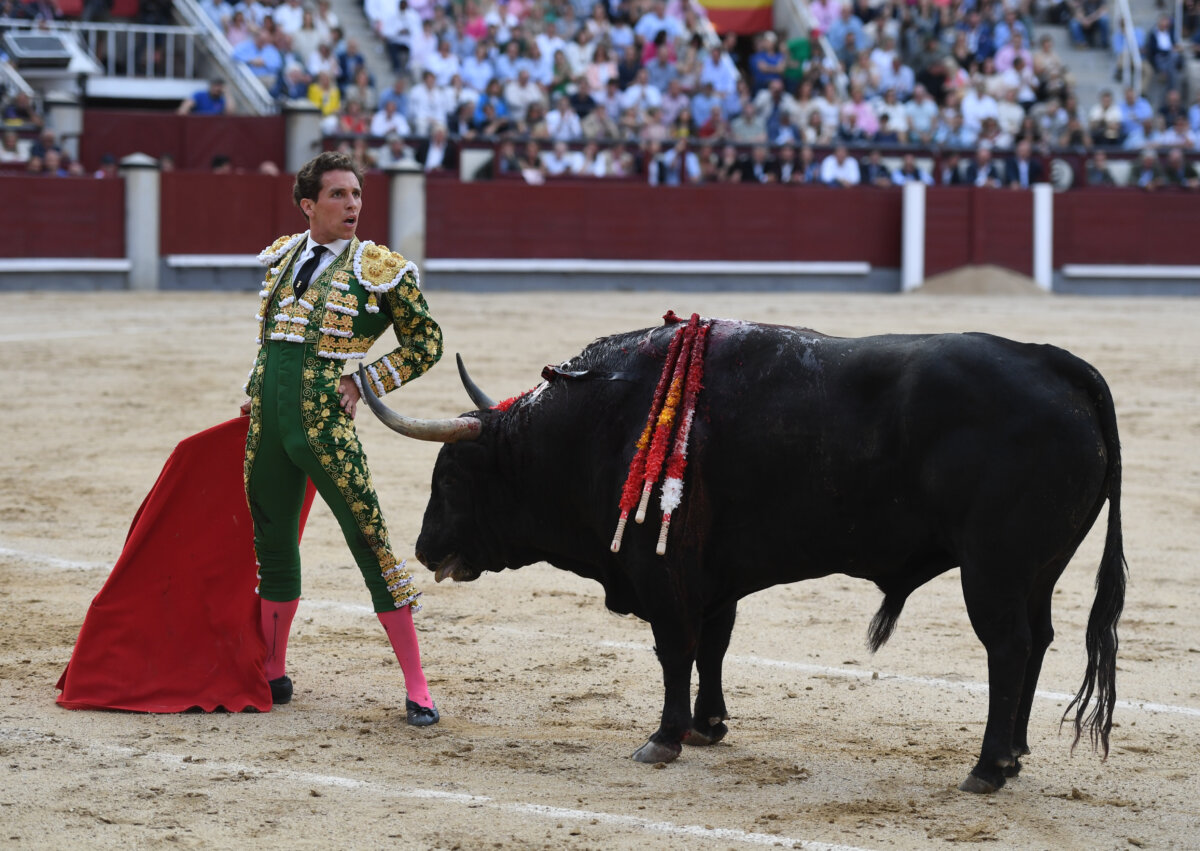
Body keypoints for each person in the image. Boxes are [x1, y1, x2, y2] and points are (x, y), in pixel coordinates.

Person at [241, 151, 441, 726]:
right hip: (270, 427)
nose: (353, 204)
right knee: (273, 550)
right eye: (339, 195)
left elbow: (425, 342)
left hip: (327, 427)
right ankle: (274, 671)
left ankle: (417, 684)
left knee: (370, 542)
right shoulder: (281, 258)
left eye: (356, 194)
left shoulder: (379, 268)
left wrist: (365, 379)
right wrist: (255, 390)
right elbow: (270, 341)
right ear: (309, 205)